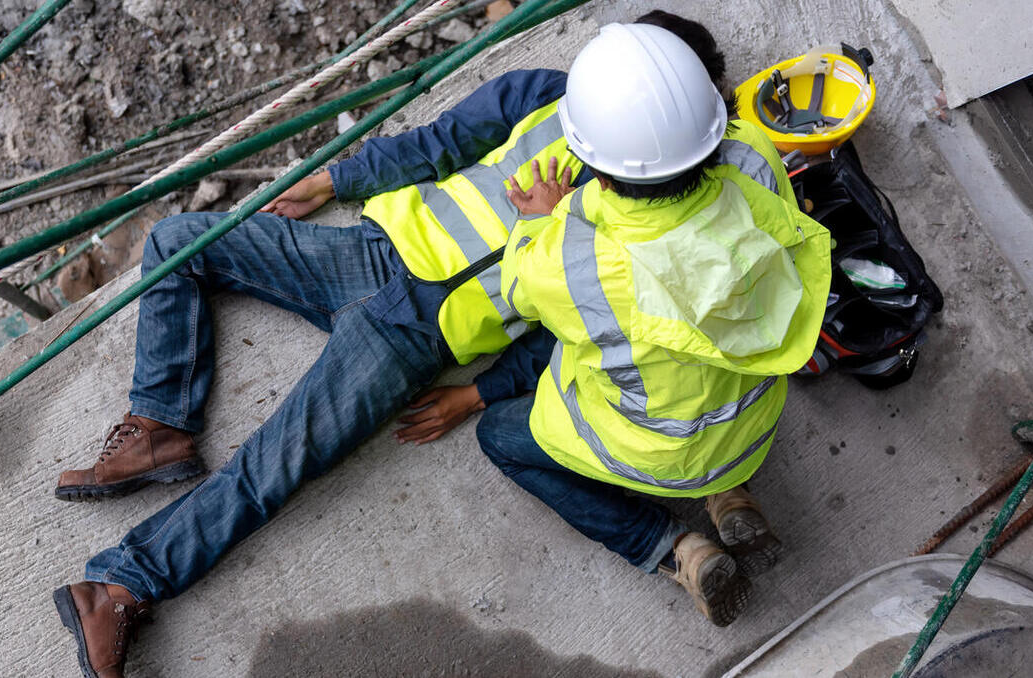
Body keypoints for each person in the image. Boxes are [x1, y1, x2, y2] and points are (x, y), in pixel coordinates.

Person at [50, 12, 798, 677]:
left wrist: (478, 390)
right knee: (182, 240)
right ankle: (160, 425)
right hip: (374, 249)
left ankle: (122, 585)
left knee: (271, 468)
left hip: (413, 336)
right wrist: (337, 181)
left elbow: (576, 344)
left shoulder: (628, 235)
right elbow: (440, 143)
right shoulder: (544, 93)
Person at [480, 22, 832, 626]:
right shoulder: (756, 157)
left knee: (499, 437)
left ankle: (679, 550)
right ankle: (727, 498)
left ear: (596, 165)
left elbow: (516, 293)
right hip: (751, 422)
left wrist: (540, 220)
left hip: (654, 451)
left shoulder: (571, 256)